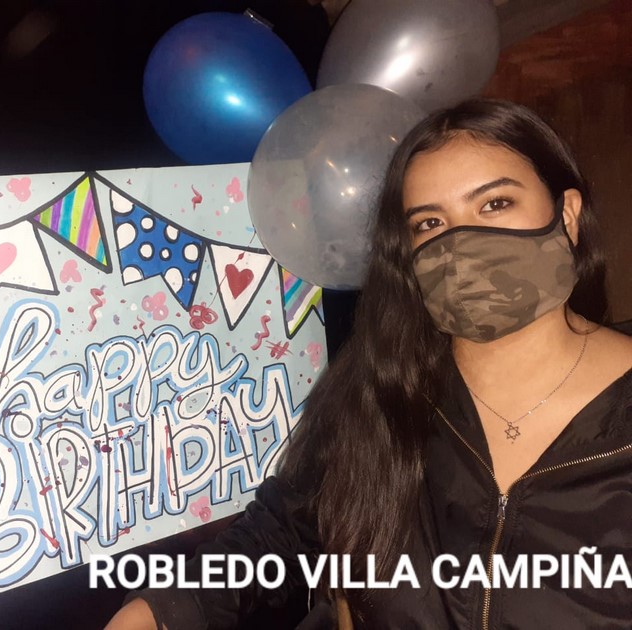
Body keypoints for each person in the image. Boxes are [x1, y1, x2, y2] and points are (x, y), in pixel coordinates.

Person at [105, 99, 632, 629]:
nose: (460, 243)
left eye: (495, 204)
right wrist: (160, 611)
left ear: (566, 215)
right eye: (430, 222)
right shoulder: (380, 395)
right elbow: (283, 533)